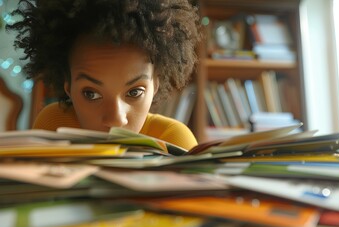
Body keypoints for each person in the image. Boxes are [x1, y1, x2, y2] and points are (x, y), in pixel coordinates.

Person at [7, 0, 201, 150]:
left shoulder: (175, 140)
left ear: (155, 85)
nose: (116, 119)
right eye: (91, 94)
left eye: (135, 92)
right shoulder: (53, 124)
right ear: (68, 87)